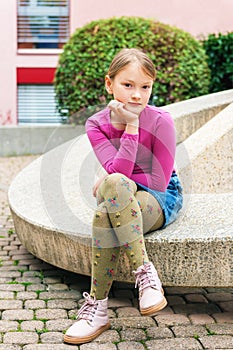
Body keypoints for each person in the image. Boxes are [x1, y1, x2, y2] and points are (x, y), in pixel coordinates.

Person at [64, 48, 183, 345]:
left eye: (145, 87)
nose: (137, 96)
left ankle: (98, 308)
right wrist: (131, 129)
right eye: (127, 85)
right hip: (121, 191)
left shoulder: (161, 121)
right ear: (109, 84)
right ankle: (145, 275)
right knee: (116, 182)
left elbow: (158, 180)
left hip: (160, 195)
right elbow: (118, 172)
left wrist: (112, 171)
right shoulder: (96, 124)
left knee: (106, 211)